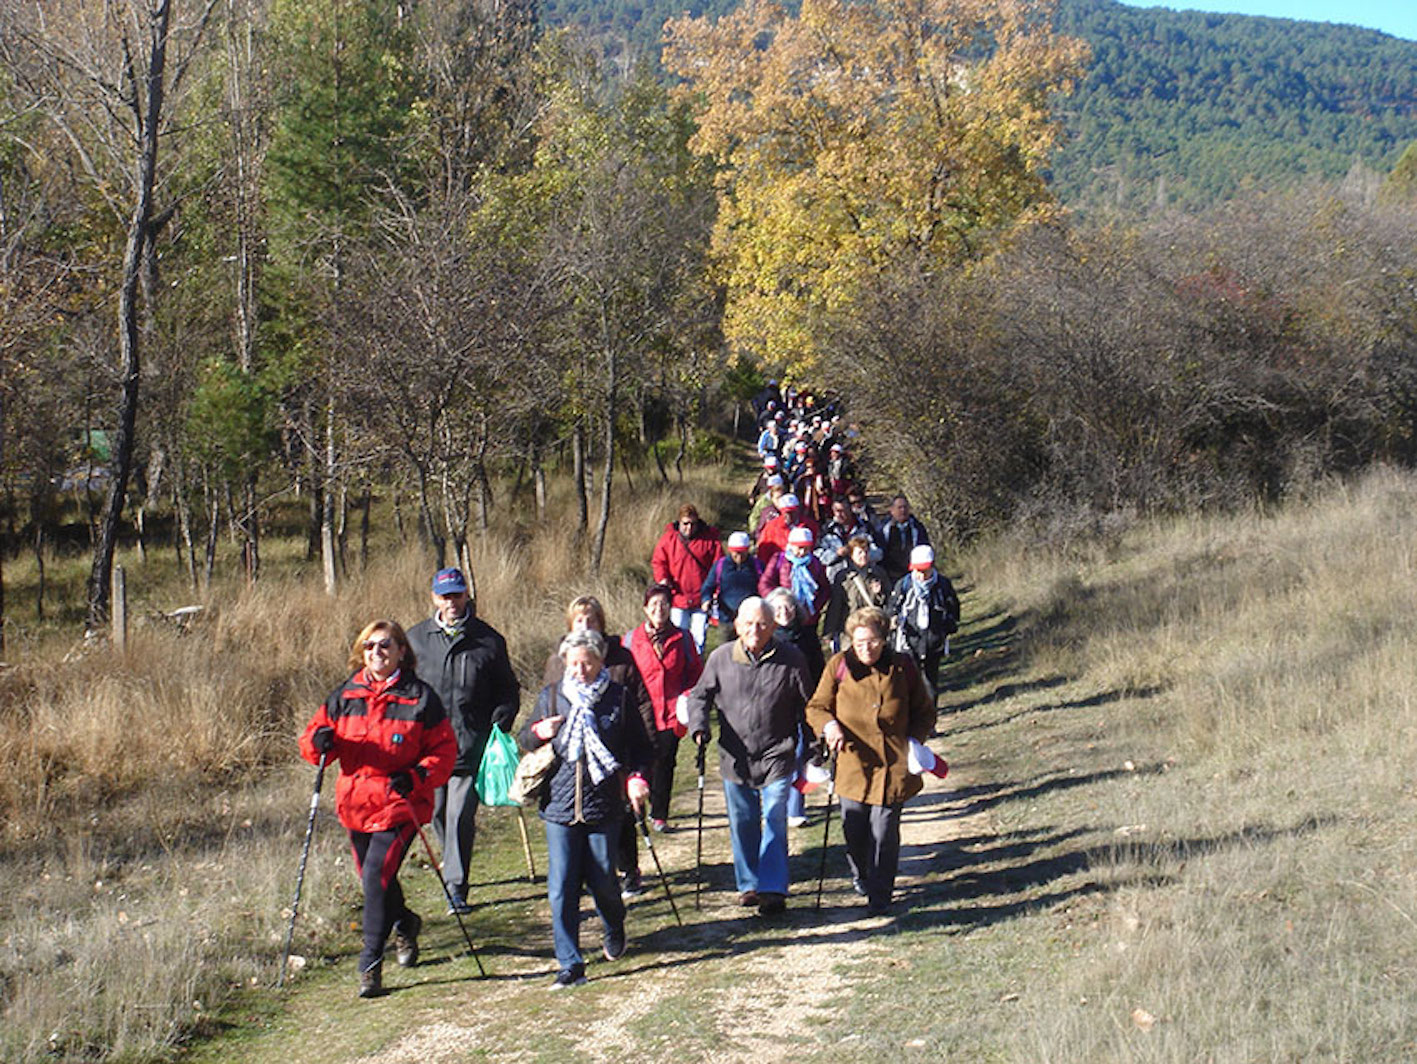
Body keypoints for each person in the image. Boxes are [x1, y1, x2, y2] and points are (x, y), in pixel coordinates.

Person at [300, 620, 457, 998]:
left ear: (402, 650)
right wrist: (319, 743)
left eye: (385, 645)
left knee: (374, 878)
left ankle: (370, 965)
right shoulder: (345, 694)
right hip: (356, 803)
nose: (377, 653)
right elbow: (313, 740)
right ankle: (406, 923)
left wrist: (417, 775)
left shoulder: (420, 698)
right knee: (378, 883)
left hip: (401, 804)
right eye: (369, 646)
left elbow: (445, 752)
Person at [520, 630, 653, 989]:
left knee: (604, 882)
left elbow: (641, 748)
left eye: (588, 662)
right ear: (564, 663)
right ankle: (570, 963)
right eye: (574, 663)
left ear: (600, 661)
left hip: (604, 806)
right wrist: (537, 732)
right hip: (559, 807)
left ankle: (614, 924)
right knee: (561, 887)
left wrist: (637, 778)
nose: (580, 670)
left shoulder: (618, 698)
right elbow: (524, 740)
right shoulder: (551, 697)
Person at [806, 606, 936, 915]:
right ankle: (861, 875)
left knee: (885, 832)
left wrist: (915, 741)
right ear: (851, 639)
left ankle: (881, 895)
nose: (867, 647)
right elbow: (816, 707)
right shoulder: (838, 665)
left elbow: (925, 711)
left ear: (884, 638)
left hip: (894, 765)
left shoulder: (903, 667)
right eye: (860, 641)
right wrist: (829, 726)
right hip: (853, 765)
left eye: (873, 640)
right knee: (855, 831)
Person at [685, 597, 811, 915]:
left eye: (762, 624)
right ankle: (749, 884)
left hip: (777, 752)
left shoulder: (792, 659)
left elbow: (808, 704)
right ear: (738, 625)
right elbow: (700, 696)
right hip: (735, 755)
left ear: (773, 626)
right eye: (748, 623)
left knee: (775, 817)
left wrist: (814, 742)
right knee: (743, 821)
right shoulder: (721, 658)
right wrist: (699, 728)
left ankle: (772, 889)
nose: (755, 629)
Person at [406, 568, 519, 914]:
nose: (451, 602)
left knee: (459, 816)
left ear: (467, 595)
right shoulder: (415, 640)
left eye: (457, 595)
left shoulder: (488, 640)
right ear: (434, 598)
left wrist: (502, 716)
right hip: (428, 749)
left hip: (471, 745)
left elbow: (508, 689)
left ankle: (456, 886)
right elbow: (406, 690)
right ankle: (453, 862)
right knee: (438, 814)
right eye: (445, 596)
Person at [542, 595, 656, 898]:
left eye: (591, 619)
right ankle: (584, 877)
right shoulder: (558, 659)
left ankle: (628, 869)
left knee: (621, 814)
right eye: (579, 620)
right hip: (573, 755)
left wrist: (645, 744)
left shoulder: (620, 657)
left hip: (615, 744)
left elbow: (639, 700)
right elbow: (549, 700)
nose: (585, 625)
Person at [623, 584, 704, 831]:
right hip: (640, 713)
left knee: (665, 762)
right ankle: (636, 808)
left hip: (671, 712)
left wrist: (687, 695)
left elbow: (695, 673)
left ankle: (660, 815)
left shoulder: (684, 638)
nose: (659, 609)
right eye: (654, 604)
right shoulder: (630, 640)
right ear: (645, 608)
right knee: (639, 762)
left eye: (664, 604)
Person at [765, 588, 826, 828]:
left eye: (788, 606)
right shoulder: (766, 637)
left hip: (803, 704)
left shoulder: (808, 637)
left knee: (799, 754)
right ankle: (774, 804)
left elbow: (819, 669)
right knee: (777, 759)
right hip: (774, 707)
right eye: (778, 608)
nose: (784, 612)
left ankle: (795, 809)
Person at [886, 545, 960, 707]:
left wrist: (947, 626)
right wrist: (893, 619)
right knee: (909, 680)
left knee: (930, 682)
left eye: (924, 570)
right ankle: (910, 719)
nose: (920, 575)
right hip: (909, 640)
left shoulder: (943, 585)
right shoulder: (904, 585)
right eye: (917, 570)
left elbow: (954, 609)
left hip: (934, 641)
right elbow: (892, 607)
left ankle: (930, 720)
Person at [651, 504, 723, 653]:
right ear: (679, 522)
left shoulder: (710, 541)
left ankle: (695, 672)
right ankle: (680, 670)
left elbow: (719, 568)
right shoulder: (669, 540)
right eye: (685, 524)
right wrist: (662, 578)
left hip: (701, 599)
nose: (689, 528)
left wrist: (714, 593)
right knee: (678, 637)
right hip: (678, 598)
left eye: (692, 524)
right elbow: (659, 562)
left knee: (699, 640)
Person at [822, 535, 891, 650]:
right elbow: (836, 606)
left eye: (866, 552)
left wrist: (879, 593)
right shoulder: (843, 577)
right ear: (851, 555)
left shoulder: (878, 574)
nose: (863, 556)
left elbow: (888, 601)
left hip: (873, 628)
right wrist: (829, 632)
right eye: (859, 552)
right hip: (850, 630)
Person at [758, 525, 830, 631]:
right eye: (799, 548)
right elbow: (765, 583)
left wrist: (815, 606)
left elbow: (824, 588)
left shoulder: (814, 562)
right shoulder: (779, 559)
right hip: (782, 615)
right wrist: (778, 601)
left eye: (806, 549)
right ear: (791, 545)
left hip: (808, 617)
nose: (802, 552)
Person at [700, 531, 764, 627]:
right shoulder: (720, 566)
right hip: (726, 618)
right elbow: (708, 586)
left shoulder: (757, 566)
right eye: (736, 553)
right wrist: (706, 599)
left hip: (750, 619)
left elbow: (765, 585)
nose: (739, 557)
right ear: (730, 550)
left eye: (742, 553)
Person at [815, 497, 882, 584]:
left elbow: (879, 553)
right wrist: (836, 554)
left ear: (850, 509)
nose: (839, 514)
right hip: (837, 580)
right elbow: (818, 555)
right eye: (836, 511)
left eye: (842, 511)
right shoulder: (827, 530)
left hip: (864, 578)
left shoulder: (865, 527)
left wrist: (862, 554)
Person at [875, 494, 931, 586]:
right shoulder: (883, 528)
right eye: (899, 507)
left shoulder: (917, 527)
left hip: (912, 573)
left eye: (905, 507)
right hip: (890, 574)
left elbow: (924, 548)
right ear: (892, 510)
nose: (903, 510)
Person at [756, 493, 820, 566]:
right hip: (778, 568)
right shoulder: (771, 528)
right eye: (786, 512)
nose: (789, 516)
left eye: (792, 512)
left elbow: (816, 549)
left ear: (798, 510)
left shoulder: (810, 526)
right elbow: (763, 553)